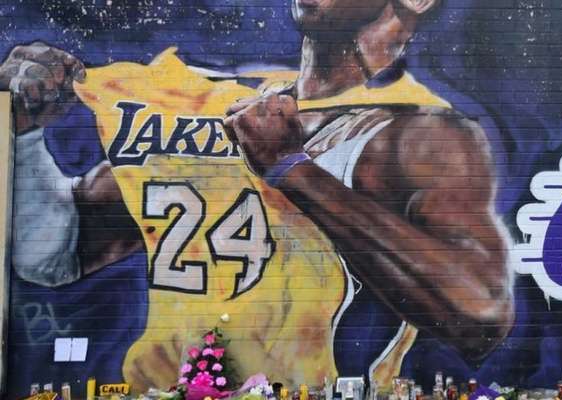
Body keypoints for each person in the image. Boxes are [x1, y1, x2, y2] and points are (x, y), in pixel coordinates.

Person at [0, 0, 513, 392]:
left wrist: (291, 169)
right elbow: (54, 254)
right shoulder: (218, 104)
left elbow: (480, 318)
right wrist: (23, 133)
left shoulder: (421, 132)